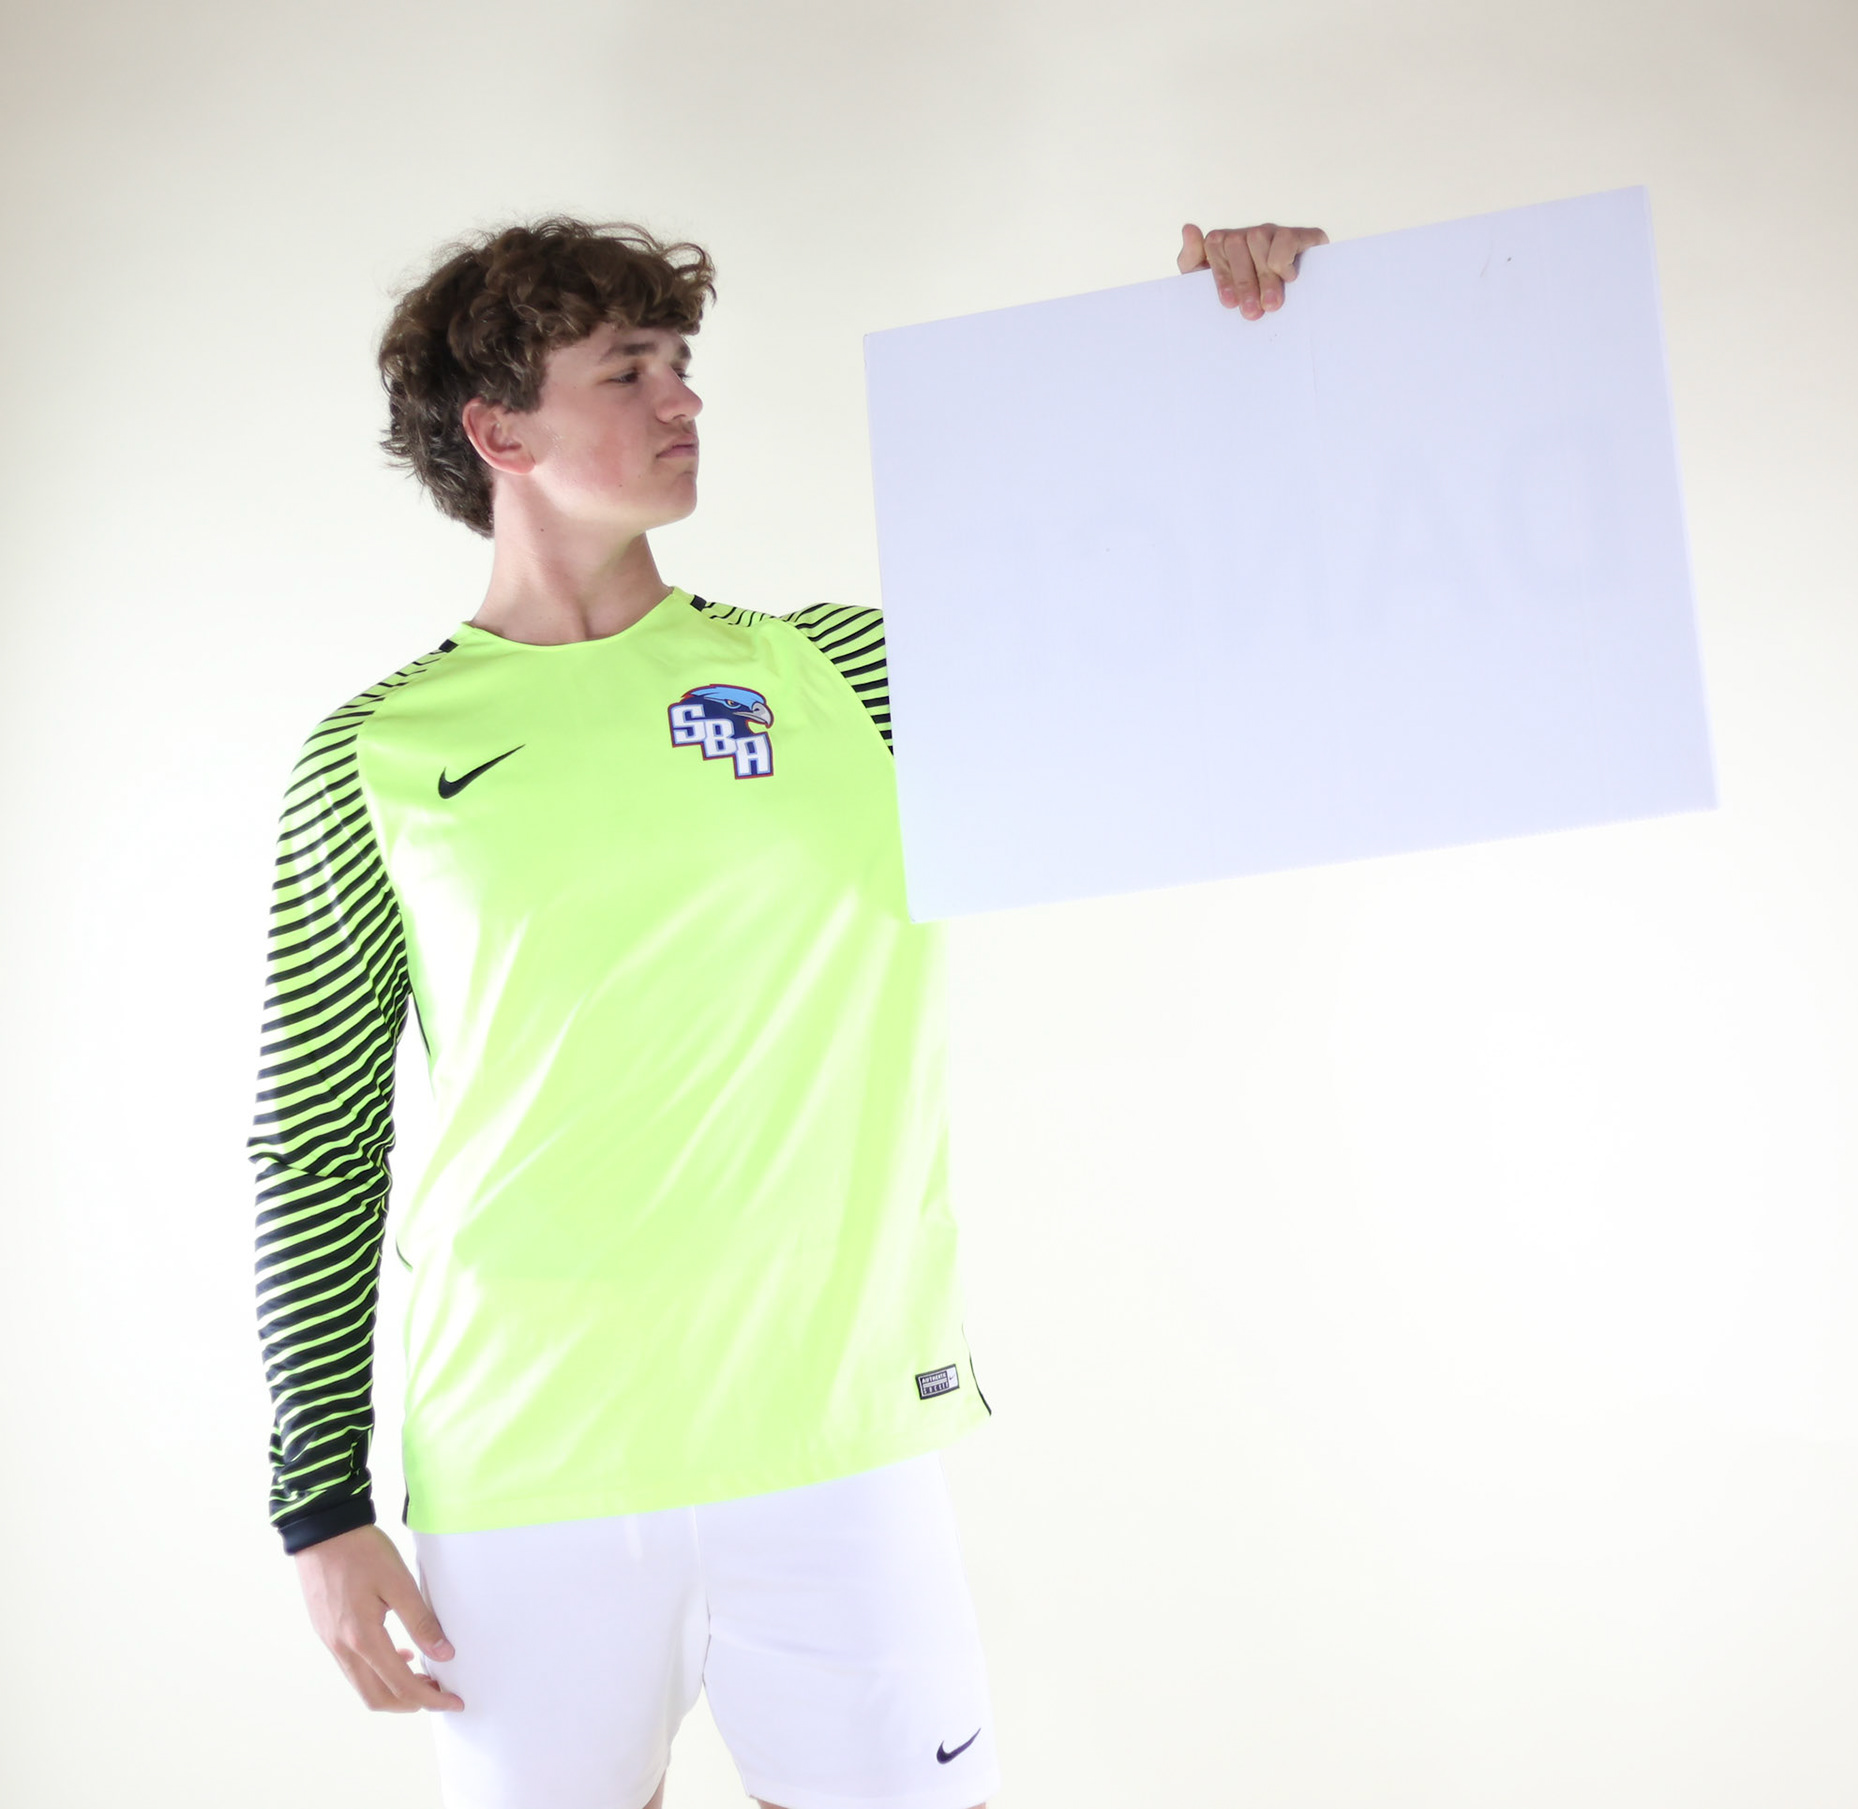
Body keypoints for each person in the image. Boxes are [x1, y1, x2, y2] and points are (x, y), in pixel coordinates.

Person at [251, 210, 1326, 1809]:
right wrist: (318, 1508)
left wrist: (1211, 360)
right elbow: (316, 1141)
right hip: (528, 1475)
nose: (683, 399)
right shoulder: (376, 757)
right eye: (629, 368)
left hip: (838, 1451)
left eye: (684, 364)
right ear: (500, 430)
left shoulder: (846, 676)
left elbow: (1165, 643)